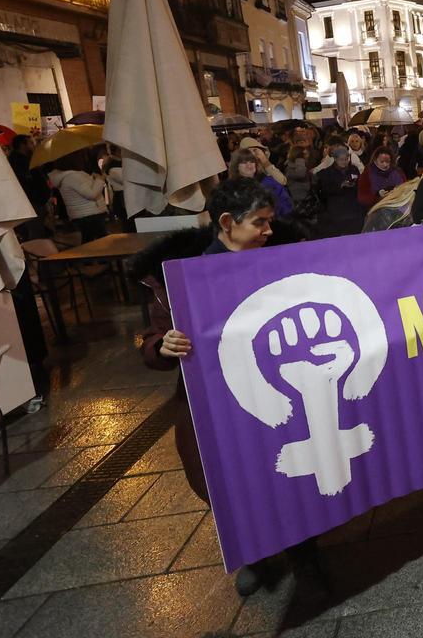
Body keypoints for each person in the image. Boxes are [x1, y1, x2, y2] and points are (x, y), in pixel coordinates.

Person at [138, 178, 329, 599]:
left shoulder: (283, 257)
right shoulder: (178, 277)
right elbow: (150, 343)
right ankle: (256, 555)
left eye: (270, 221)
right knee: (236, 479)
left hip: (280, 392)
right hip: (218, 402)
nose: (268, 230)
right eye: (259, 222)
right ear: (227, 223)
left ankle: (304, 550)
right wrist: (162, 343)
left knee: (293, 474)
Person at [47, 149, 108, 242]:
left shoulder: (71, 175)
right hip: (89, 215)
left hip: (85, 214)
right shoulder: (72, 176)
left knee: (90, 241)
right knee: (99, 242)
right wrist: (100, 179)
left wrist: (93, 178)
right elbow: (91, 194)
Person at [314, 146, 365, 237]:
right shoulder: (327, 173)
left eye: (346, 159)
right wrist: (340, 185)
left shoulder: (354, 169)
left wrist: (354, 184)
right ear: (335, 159)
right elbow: (324, 191)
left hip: (353, 208)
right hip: (336, 210)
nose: (344, 162)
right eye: (341, 160)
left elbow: (360, 184)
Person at [229, 148, 293, 219]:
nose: (249, 165)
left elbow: (285, 202)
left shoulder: (268, 182)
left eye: (252, 162)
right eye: (244, 162)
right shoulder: (232, 189)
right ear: (236, 166)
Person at [9, 135, 50, 238]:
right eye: (31, 143)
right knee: (35, 232)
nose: (33, 146)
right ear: (23, 145)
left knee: (38, 229)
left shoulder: (26, 159)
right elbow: (27, 181)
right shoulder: (17, 162)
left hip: (37, 200)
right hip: (32, 202)